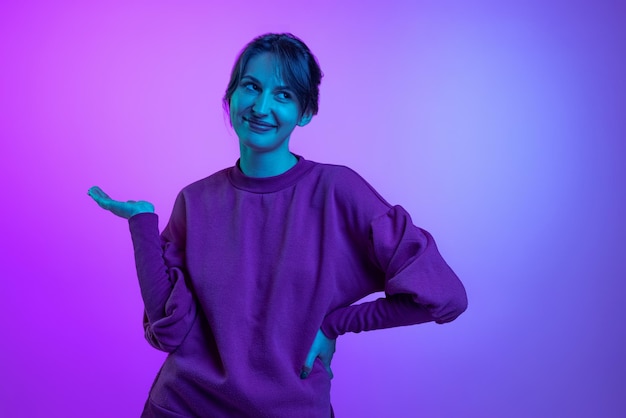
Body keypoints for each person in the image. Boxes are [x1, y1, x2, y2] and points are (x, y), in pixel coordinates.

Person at [88, 33, 467, 418]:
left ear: (305, 113)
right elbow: (168, 331)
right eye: (250, 86)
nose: (261, 106)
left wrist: (337, 323)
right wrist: (141, 224)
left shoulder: (338, 191)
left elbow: (444, 296)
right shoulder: (195, 200)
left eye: (283, 95)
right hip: (184, 407)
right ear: (230, 97)